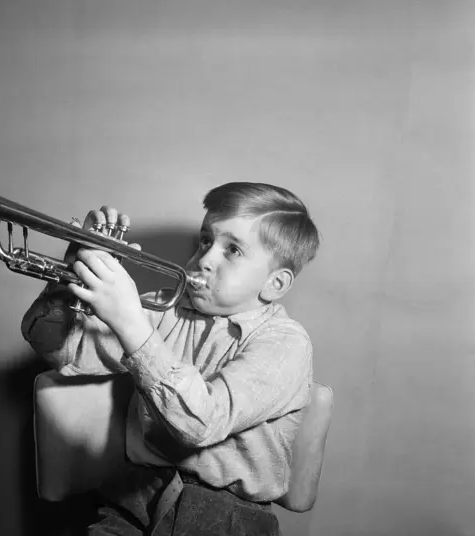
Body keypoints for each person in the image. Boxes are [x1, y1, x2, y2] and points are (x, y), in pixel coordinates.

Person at [22, 182, 320, 536]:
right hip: (133, 502)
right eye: (206, 240)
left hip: (229, 518)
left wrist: (130, 323)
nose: (205, 259)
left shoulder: (286, 343)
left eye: (233, 250)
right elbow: (61, 349)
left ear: (275, 284)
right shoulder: (166, 309)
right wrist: (76, 264)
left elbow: (202, 423)